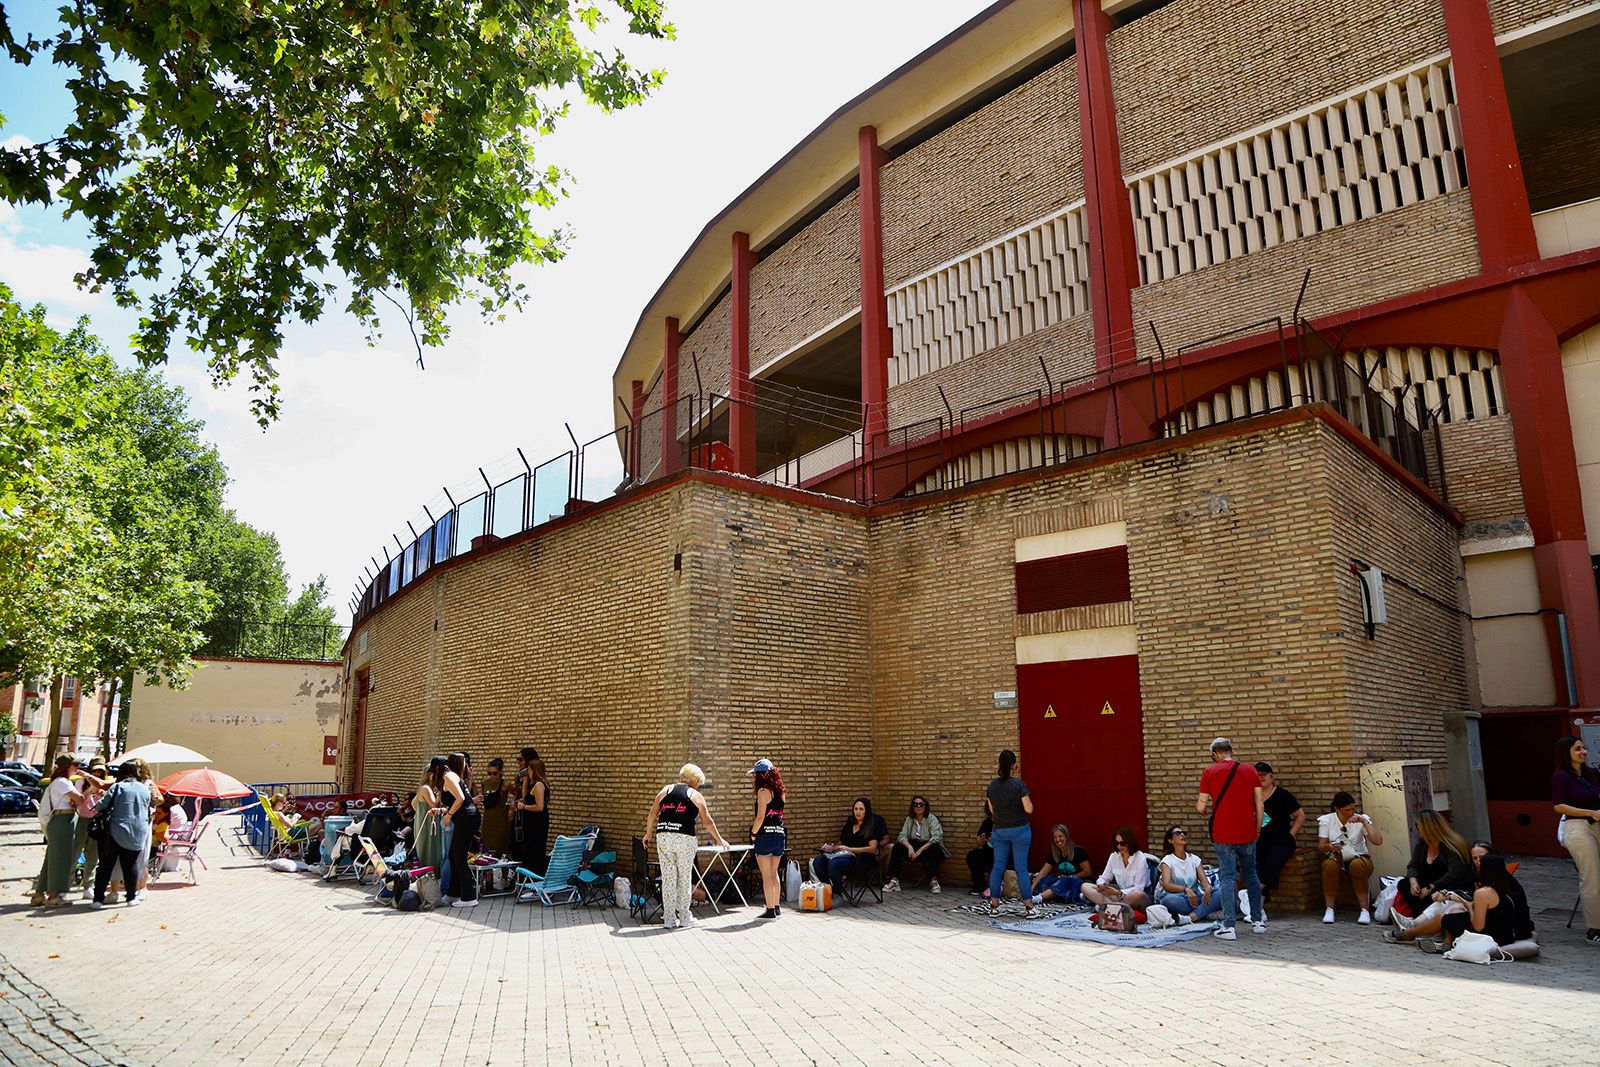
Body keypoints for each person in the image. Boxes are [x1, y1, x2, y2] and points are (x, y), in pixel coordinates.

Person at [642, 763, 727, 930]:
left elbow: (652, 813)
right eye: (699, 782)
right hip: (684, 838)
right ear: (693, 780)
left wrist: (648, 834)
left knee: (668, 878)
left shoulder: (665, 790)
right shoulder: (695, 795)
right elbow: (707, 821)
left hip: (664, 836)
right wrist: (719, 839)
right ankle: (685, 917)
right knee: (684, 877)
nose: (699, 785)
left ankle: (668, 919)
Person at [1196, 737, 1265, 940]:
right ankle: (1258, 921)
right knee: (1251, 874)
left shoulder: (1209, 772)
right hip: (1247, 831)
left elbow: (1201, 806)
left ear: (1214, 754)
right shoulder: (1250, 770)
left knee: (1227, 876)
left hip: (1223, 832)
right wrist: (1258, 828)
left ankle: (1229, 925)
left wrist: (1203, 809)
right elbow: (1259, 803)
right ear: (1231, 751)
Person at [1415, 848, 1535, 954]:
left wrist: (1468, 904)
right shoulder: (1503, 884)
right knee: (1455, 912)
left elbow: (1478, 926)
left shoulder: (1483, 892)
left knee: (1444, 918)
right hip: (1506, 933)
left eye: (1481, 860)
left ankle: (1407, 934)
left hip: (1493, 936)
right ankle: (1444, 943)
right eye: (1475, 858)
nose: (1477, 862)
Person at [1383, 809, 1474, 943]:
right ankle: (1416, 922)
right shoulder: (1422, 844)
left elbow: (1454, 874)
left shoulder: (1450, 846)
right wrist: (1414, 882)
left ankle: (1414, 925)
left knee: (1439, 895)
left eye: (1419, 827)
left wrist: (1431, 887)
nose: (1418, 830)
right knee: (1404, 884)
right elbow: (1413, 865)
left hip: (1445, 885)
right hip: (1427, 884)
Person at [1551, 735, 1600, 944]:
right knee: (1591, 877)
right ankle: (1595, 928)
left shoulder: (1594, 774)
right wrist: (1589, 813)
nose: (1583, 752)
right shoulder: (1561, 776)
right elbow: (1558, 806)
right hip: (1577, 827)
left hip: (1598, 823)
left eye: (1583, 748)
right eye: (1577, 749)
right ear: (1566, 753)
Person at [1317, 790, 1384, 924]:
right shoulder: (1327, 820)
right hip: (1337, 856)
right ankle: (1329, 909)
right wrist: (1331, 847)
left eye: (1353, 809)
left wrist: (1364, 822)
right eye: (1347, 810)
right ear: (1337, 809)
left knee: (1357, 865)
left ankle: (1364, 910)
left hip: (1359, 856)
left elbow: (1377, 841)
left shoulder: (1360, 818)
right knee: (1329, 866)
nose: (1351, 813)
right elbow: (1321, 847)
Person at [92, 761, 152, 909]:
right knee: (131, 865)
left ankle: (98, 900)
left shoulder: (118, 787)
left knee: (105, 866)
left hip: (115, 830)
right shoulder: (144, 789)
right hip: (138, 832)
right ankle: (131, 897)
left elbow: (101, 806)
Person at [986, 750, 1034, 915]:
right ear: (1014, 766)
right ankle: (1028, 906)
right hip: (1020, 831)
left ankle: (994, 906)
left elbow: (992, 810)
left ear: (999, 765)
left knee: (997, 867)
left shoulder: (992, 786)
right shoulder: (1019, 785)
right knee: (1021, 868)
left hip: (999, 831)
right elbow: (1029, 808)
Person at [33, 754, 84, 907]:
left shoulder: (58, 782)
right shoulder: (63, 782)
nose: (78, 768)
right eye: (75, 765)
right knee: (61, 859)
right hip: (63, 821)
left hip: (60, 820)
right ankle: (54, 897)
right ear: (67, 766)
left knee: (52, 858)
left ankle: (39, 894)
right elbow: (80, 800)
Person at [812, 798, 887, 893]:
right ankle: (828, 890)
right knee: (818, 861)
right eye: (856, 809)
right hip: (844, 855)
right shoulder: (850, 822)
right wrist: (832, 847)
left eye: (861, 809)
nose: (858, 812)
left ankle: (837, 893)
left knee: (834, 864)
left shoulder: (872, 825)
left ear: (867, 810)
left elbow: (872, 849)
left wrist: (849, 849)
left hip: (862, 860)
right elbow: (842, 842)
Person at [1254, 761, 1304, 901]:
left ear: (1271, 776)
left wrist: (1291, 835)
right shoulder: (1252, 796)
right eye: (1257, 776)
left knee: (1273, 859)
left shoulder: (1282, 795)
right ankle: (1259, 905)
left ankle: (1255, 891)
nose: (1261, 778)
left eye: (1263, 775)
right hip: (1260, 840)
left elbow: (1300, 816)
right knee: (1256, 861)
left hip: (1281, 840)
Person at [747, 758, 786, 919]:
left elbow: (760, 817)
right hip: (779, 835)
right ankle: (777, 906)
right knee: (774, 872)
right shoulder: (781, 792)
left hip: (765, 837)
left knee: (766, 875)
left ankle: (769, 910)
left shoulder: (763, 792)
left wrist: (753, 833)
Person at [1081, 826, 1154, 910]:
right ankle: (1114, 908)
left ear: (1130, 842)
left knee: (1137, 894)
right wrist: (1102, 885)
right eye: (1117, 843)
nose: (1119, 846)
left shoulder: (1140, 858)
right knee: (1085, 886)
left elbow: (1139, 887)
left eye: (1122, 843)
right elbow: (1105, 877)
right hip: (1119, 895)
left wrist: (1118, 892)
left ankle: (1108, 907)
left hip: (1139, 896)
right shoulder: (1114, 856)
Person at [1156, 826, 1220, 922]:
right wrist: (1186, 889)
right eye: (1177, 833)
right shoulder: (1167, 860)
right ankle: (1203, 911)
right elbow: (1166, 885)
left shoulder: (1194, 859)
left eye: (1183, 833)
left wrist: (1208, 888)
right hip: (1179, 898)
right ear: (1170, 840)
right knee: (1168, 901)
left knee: (1223, 892)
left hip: (1196, 897)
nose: (1182, 835)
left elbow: (1205, 882)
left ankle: (1191, 917)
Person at [440, 752, 480, 908]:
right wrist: (441, 811)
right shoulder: (456, 777)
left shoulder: (449, 776)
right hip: (468, 817)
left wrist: (449, 815)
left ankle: (469, 896)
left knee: (459, 857)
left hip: (466, 819)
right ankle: (452, 893)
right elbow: (461, 801)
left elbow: (461, 799)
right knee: (453, 855)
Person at [885, 795, 946, 894]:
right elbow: (902, 836)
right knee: (897, 847)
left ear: (925, 806)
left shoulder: (931, 818)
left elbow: (936, 837)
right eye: (915, 805)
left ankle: (934, 881)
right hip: (913, 846)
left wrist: (919, 851)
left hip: (927, 847)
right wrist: (909, 848)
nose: (918, 807)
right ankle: (894, 881)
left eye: (921, 804)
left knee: (935, 848)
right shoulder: (909, 819)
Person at [1028, 824, 1090, 905]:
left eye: (1060, 836)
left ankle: (1040, 898)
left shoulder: (1078, 851)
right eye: (1055, 837)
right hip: (1062, 881)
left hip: (1077, 882)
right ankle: (1057, 895)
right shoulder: (1055, 853)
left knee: (1065, 880)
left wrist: (1071, 877)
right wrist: (1031, 888)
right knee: (1047, 879)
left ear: (1066, 836)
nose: (1058, 839)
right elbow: (1043, 873)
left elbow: (1087, 872)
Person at [513, 747, 551, 875]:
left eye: (528, 769)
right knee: (528, 848)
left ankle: (536, 877)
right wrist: (525, 782)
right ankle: (529, 876)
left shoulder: (539, 785)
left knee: (535, 849)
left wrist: (524, 807)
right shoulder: (532, 784)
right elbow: (526, 798)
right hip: (531, 821)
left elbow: (539, 806)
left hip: (537, 822)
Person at [414, 758, 446, 873]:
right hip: (428, 827)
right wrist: (440, 792)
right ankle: (430, 878)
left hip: (428, 825)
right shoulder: (426, 788)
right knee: (430, 851)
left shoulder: (425, 789)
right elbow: (435, 805)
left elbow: (414, 805)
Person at [479, 757, 510, 854]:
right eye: (489, 773)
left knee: (500, 851)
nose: (492, 776)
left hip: (500, 821)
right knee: (486, 851)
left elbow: (516, 794)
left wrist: (510, 808)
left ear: (500, 772)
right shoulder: (485, 783)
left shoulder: (505, 784)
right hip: (488, 821)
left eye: (494, 773)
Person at [966, 810, 994, 895]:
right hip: (988, 852)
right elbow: (979, 842)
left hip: (1003, 853)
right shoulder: (988, 822)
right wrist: (982, 839)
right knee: (973, 855)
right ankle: (979, 886)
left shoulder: (1008, 822)